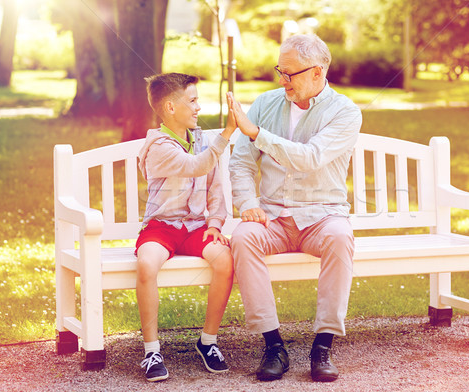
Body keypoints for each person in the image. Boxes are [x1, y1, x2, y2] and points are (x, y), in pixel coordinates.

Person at [227, 34, 362, 382]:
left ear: (317, 72)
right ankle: (273, 346)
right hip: (272, 216)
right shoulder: (265, 103)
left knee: (340, 238)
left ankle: (323, 347)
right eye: (280, 72)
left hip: (322, 216)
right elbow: (241, 161)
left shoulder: (345, 112)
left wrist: (258, 133)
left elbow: (310, 158)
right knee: (242, 238)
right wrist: (247, 203)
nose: (282, 81)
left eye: (290, 74)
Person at [136, 72, 236, 382]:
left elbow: (216, 186)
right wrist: (228, 132)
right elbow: (197, 165)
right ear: (169, 108)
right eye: (192, 101)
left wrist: (216, 223)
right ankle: (152, 350)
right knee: (146, 264)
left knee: (225, 261)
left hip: (195, 227)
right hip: (161, 227)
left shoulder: (203, 140)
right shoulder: (158, 147)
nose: (198, 107)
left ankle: (208, 341)